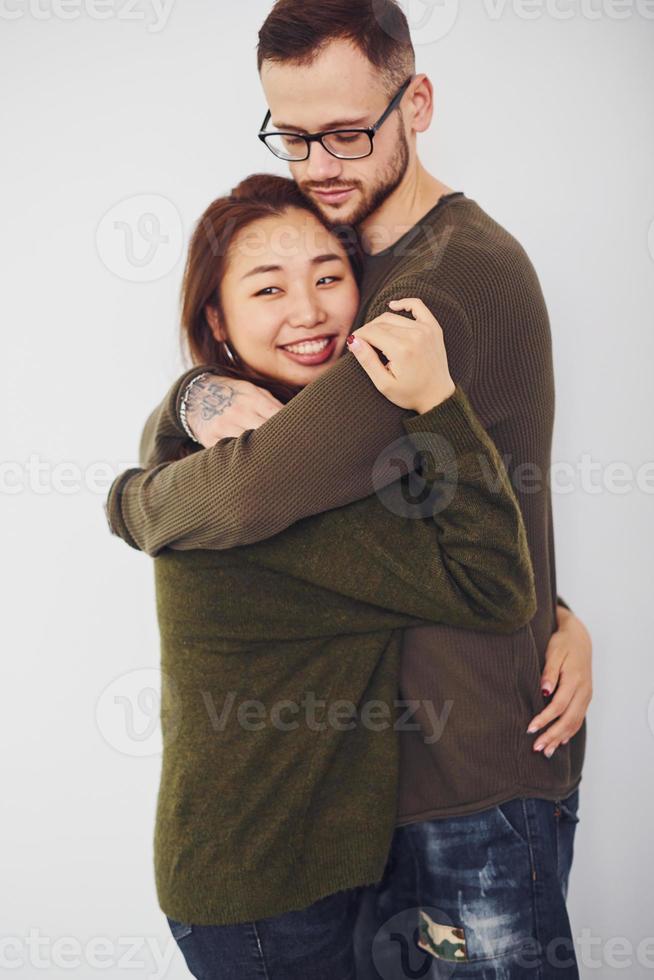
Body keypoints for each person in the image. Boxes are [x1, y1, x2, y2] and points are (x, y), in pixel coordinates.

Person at [106, 1, 592, 975]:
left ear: (417, 101)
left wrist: (130, 498)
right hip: (372, 794)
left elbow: (254, 496)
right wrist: (196, 397)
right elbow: (384, 486)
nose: (319, 163)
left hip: (470, 783)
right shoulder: (356, 259)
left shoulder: (437, 286)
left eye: (346, 132)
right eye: (293, 134)